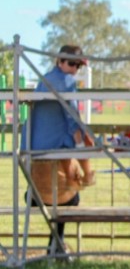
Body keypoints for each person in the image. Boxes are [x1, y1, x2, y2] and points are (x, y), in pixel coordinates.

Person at [26, 44, 95, 256]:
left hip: (36, 152)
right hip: (56, 151)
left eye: (78, 65)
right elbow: (72, 116)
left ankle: (55, 245)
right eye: (72, 64)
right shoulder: (66, 82)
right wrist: (82, 138)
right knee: (70, 198)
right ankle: (56, 246)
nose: (75, 69)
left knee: (52, 195)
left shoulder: (44, 79)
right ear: (60, 61)